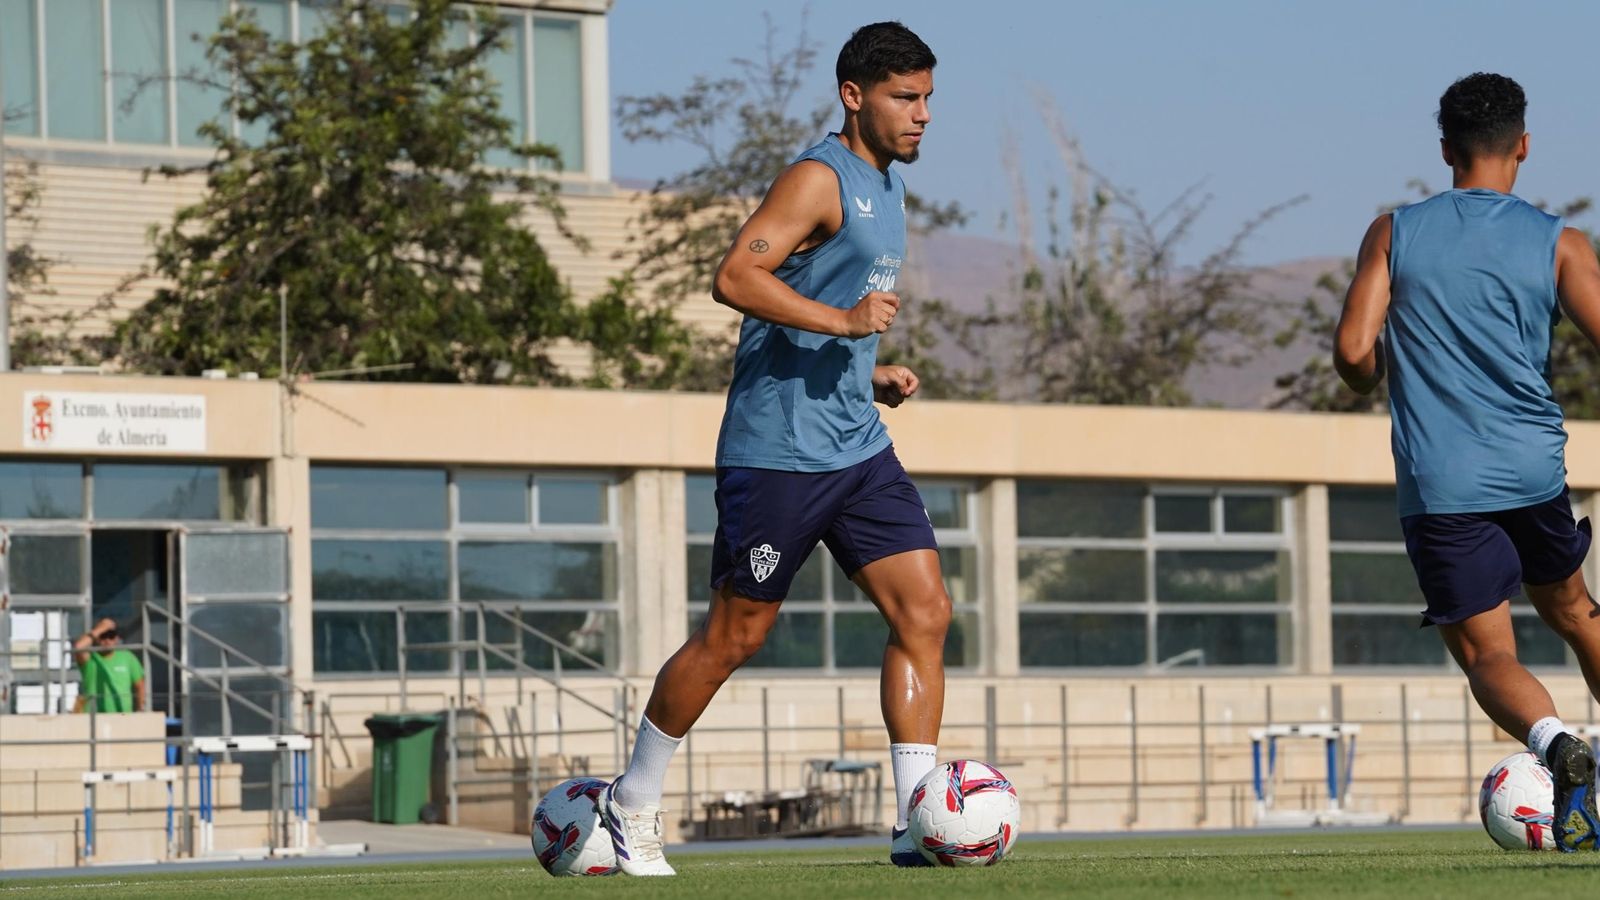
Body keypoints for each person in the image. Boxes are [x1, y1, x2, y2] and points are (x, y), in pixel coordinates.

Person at [596, 21, 948, 876]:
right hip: (777, 454)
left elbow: (824, 315)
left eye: (930, 98)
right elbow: (737, 277)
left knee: (925, 612)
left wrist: (870, 373)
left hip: (857, 447)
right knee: (733, 640)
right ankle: (630, 805)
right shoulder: (817, 178)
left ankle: (918, 819)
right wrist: (847, 324)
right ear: (854, 96)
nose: (922, 115)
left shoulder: (888, 186)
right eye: (905, 97)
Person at [1335, 72, 1600, 851]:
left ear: (1446, 149)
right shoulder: (1562, 242)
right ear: (1522, 145)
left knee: (1489, 651)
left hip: (1444, 485)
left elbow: (1353, 352)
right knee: (1576, 611)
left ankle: (1555, 745)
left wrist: (1377, 368)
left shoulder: (1395, 231)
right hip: (1534, 471)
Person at [72, 618, 146, 714]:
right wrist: (100, 628)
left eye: (111, 635)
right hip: (93, 717)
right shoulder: (89, 657)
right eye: (103, 635)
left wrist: (141, 710)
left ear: (117, 638)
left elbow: (140, 686)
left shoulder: (128, 657)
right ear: (97, 637)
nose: (107, 640)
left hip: (122, 716)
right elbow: (79, 647)